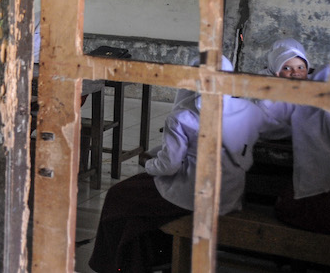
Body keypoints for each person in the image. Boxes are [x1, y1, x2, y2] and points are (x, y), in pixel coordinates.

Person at [89, 56, 264, 273]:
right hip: (229, 194)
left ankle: (111, 266)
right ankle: (143, 261)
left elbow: (168, 166)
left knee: (118, 196)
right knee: (136, 219)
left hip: (193, 195)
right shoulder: (247, 109)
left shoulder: (184, 115)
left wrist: (147, 162)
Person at [259, 38, 330, 235]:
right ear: (276, 72)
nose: (296, 73)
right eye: (287, 68)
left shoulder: (313, 103)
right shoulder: (270, 94)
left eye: (301, 67)